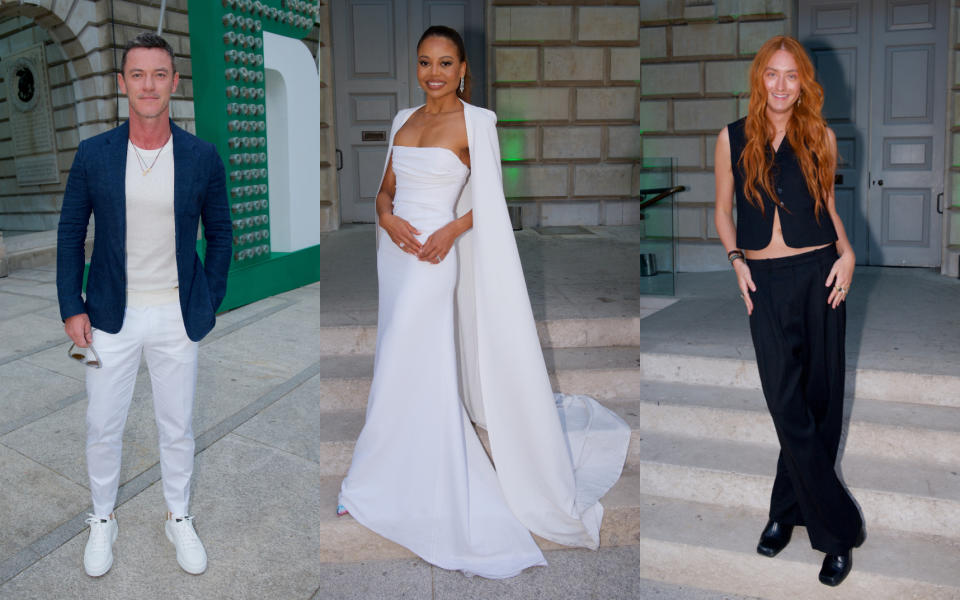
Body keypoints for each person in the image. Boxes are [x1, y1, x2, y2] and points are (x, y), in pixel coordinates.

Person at [337, 25, 630, 579]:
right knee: (393, 357)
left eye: (446, 63)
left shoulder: (478, 123)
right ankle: (377, 474)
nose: (434, 74)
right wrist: (385, 216)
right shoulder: (403, 120)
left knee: (416, 358)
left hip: (433, 256)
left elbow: (492, 202)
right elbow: (385, 189)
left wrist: (450, 231)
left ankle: (413, 476)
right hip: (397, 252)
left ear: (463, 69)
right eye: (425, 62)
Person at [56, 32, 232, 577]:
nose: (149, 85)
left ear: (174, 83)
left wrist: (210, 297)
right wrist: (72, 305)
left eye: (160, 74)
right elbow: (70, 234)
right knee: (103, 425)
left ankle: (177, 516)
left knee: (176, 426)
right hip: (111, 316)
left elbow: (222, 232)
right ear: (122, 84)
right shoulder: (94, 155)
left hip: (178, 315)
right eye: (138, 74)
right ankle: (103, 518)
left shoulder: (201, 156)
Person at [714, 36, 864, 587]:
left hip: (820, 273)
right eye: (772, 74)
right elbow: (722, 210)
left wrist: (847, 253)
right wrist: (735, 261)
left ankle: (786, 511)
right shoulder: (732, 137)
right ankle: (840, 529)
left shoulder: (818, 135)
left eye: (791, 76)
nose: (780, 85)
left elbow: (827, 205)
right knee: (786, 403)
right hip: (764, 281)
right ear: (760, 79)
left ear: (804, 83)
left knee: (819, 404)